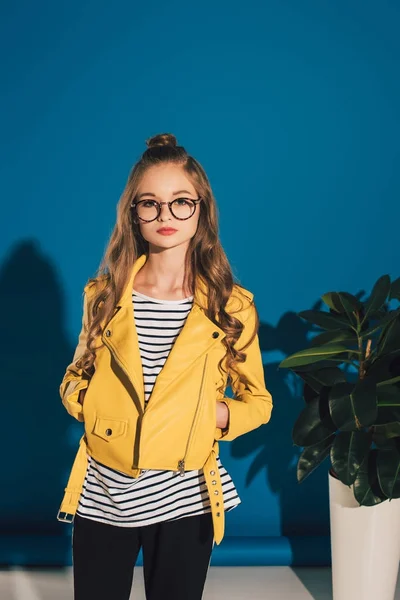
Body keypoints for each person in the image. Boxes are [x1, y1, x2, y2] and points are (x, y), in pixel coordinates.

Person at [57, 132, 273, 600]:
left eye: (181, 202)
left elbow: (258, 402)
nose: (165, 216)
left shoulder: (231, 307)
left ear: (201, 209)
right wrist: (92, 406)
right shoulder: (104, 297)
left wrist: (215, 416)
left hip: (185, 500)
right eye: (150, 204)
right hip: (103, 496)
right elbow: (74, 381)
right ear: (133, 213)